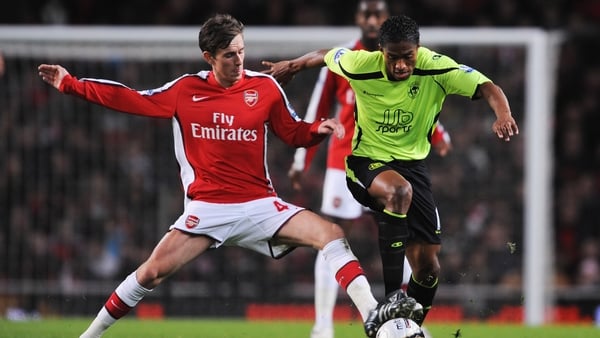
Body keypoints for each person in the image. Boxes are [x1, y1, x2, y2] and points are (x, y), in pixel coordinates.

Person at [37, 13, 423, 338]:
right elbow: (130, 98)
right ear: (209, 57)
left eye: (242, 51)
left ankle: (379, 322)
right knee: (150, 274)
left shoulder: (265, 87)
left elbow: (290, 131)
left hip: (260, 203)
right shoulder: (184, 91)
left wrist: (315, 131)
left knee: (332, 235)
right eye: (229, 55)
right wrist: (71, 84)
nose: (239, 61)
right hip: (208, 208)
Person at [262, 13, 519, 330]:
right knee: (397, 192)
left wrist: (503, 114)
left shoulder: (436, 66)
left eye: (407, 57)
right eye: (393, 58)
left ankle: (404, 328)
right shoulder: (361, 64)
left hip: (414, 169)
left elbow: (487, 86)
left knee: (428, 269)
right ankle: (392, 296)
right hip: (365, 163)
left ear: (418, 50)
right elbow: (327, 56)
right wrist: (293, 65)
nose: (400, 65)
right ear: (380, 51)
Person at [283, 2, 450, 338]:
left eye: (378, 14)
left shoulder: (401, 61)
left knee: (405, 237)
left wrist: (439, 133)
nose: (372, 20)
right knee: (330, 238)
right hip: (345, 161)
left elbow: (414, 106)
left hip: (394, 163)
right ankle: (323, 325)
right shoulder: (348, 59)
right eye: (366, 14)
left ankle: (405, 320)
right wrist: (302, 159)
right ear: (357, 19)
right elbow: (318, 105)